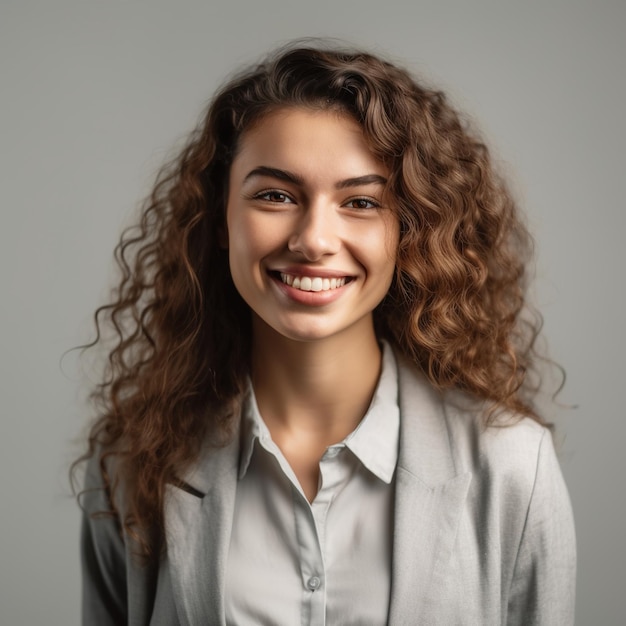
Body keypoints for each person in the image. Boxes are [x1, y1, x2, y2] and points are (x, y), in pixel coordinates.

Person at [75, 42, 576, 625]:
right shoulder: (133, 463)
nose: (314, 239)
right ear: (218, 221)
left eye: (360, 201)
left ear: (407, 232)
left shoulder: (512, 464)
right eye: (275, 195)